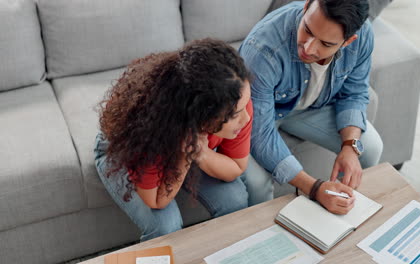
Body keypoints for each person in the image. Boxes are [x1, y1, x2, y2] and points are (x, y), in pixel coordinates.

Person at [94, 38, 253, 241]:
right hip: (124, 150)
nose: (246, 118)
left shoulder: (236, 99)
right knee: (165, 226)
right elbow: (156, 201)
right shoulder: (151, 129)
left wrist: (201, 153)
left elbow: (236, 168)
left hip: (189, 144)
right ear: (200, 114)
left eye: (244, 106)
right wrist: (186, 154)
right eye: (234, 115)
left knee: (235, 200)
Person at [239, 0, 383, 214]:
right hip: (261, 112)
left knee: (369, 147)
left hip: (314, 106)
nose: (308, 48)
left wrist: (350, 147)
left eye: (325, 44)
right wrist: (315, 188)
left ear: (347, 41)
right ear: (306, 6)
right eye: (307, 29)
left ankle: (343, 218)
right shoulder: (262, 49)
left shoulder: (361, 37)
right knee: (256, 182)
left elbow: (354, 92)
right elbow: (260, 133)